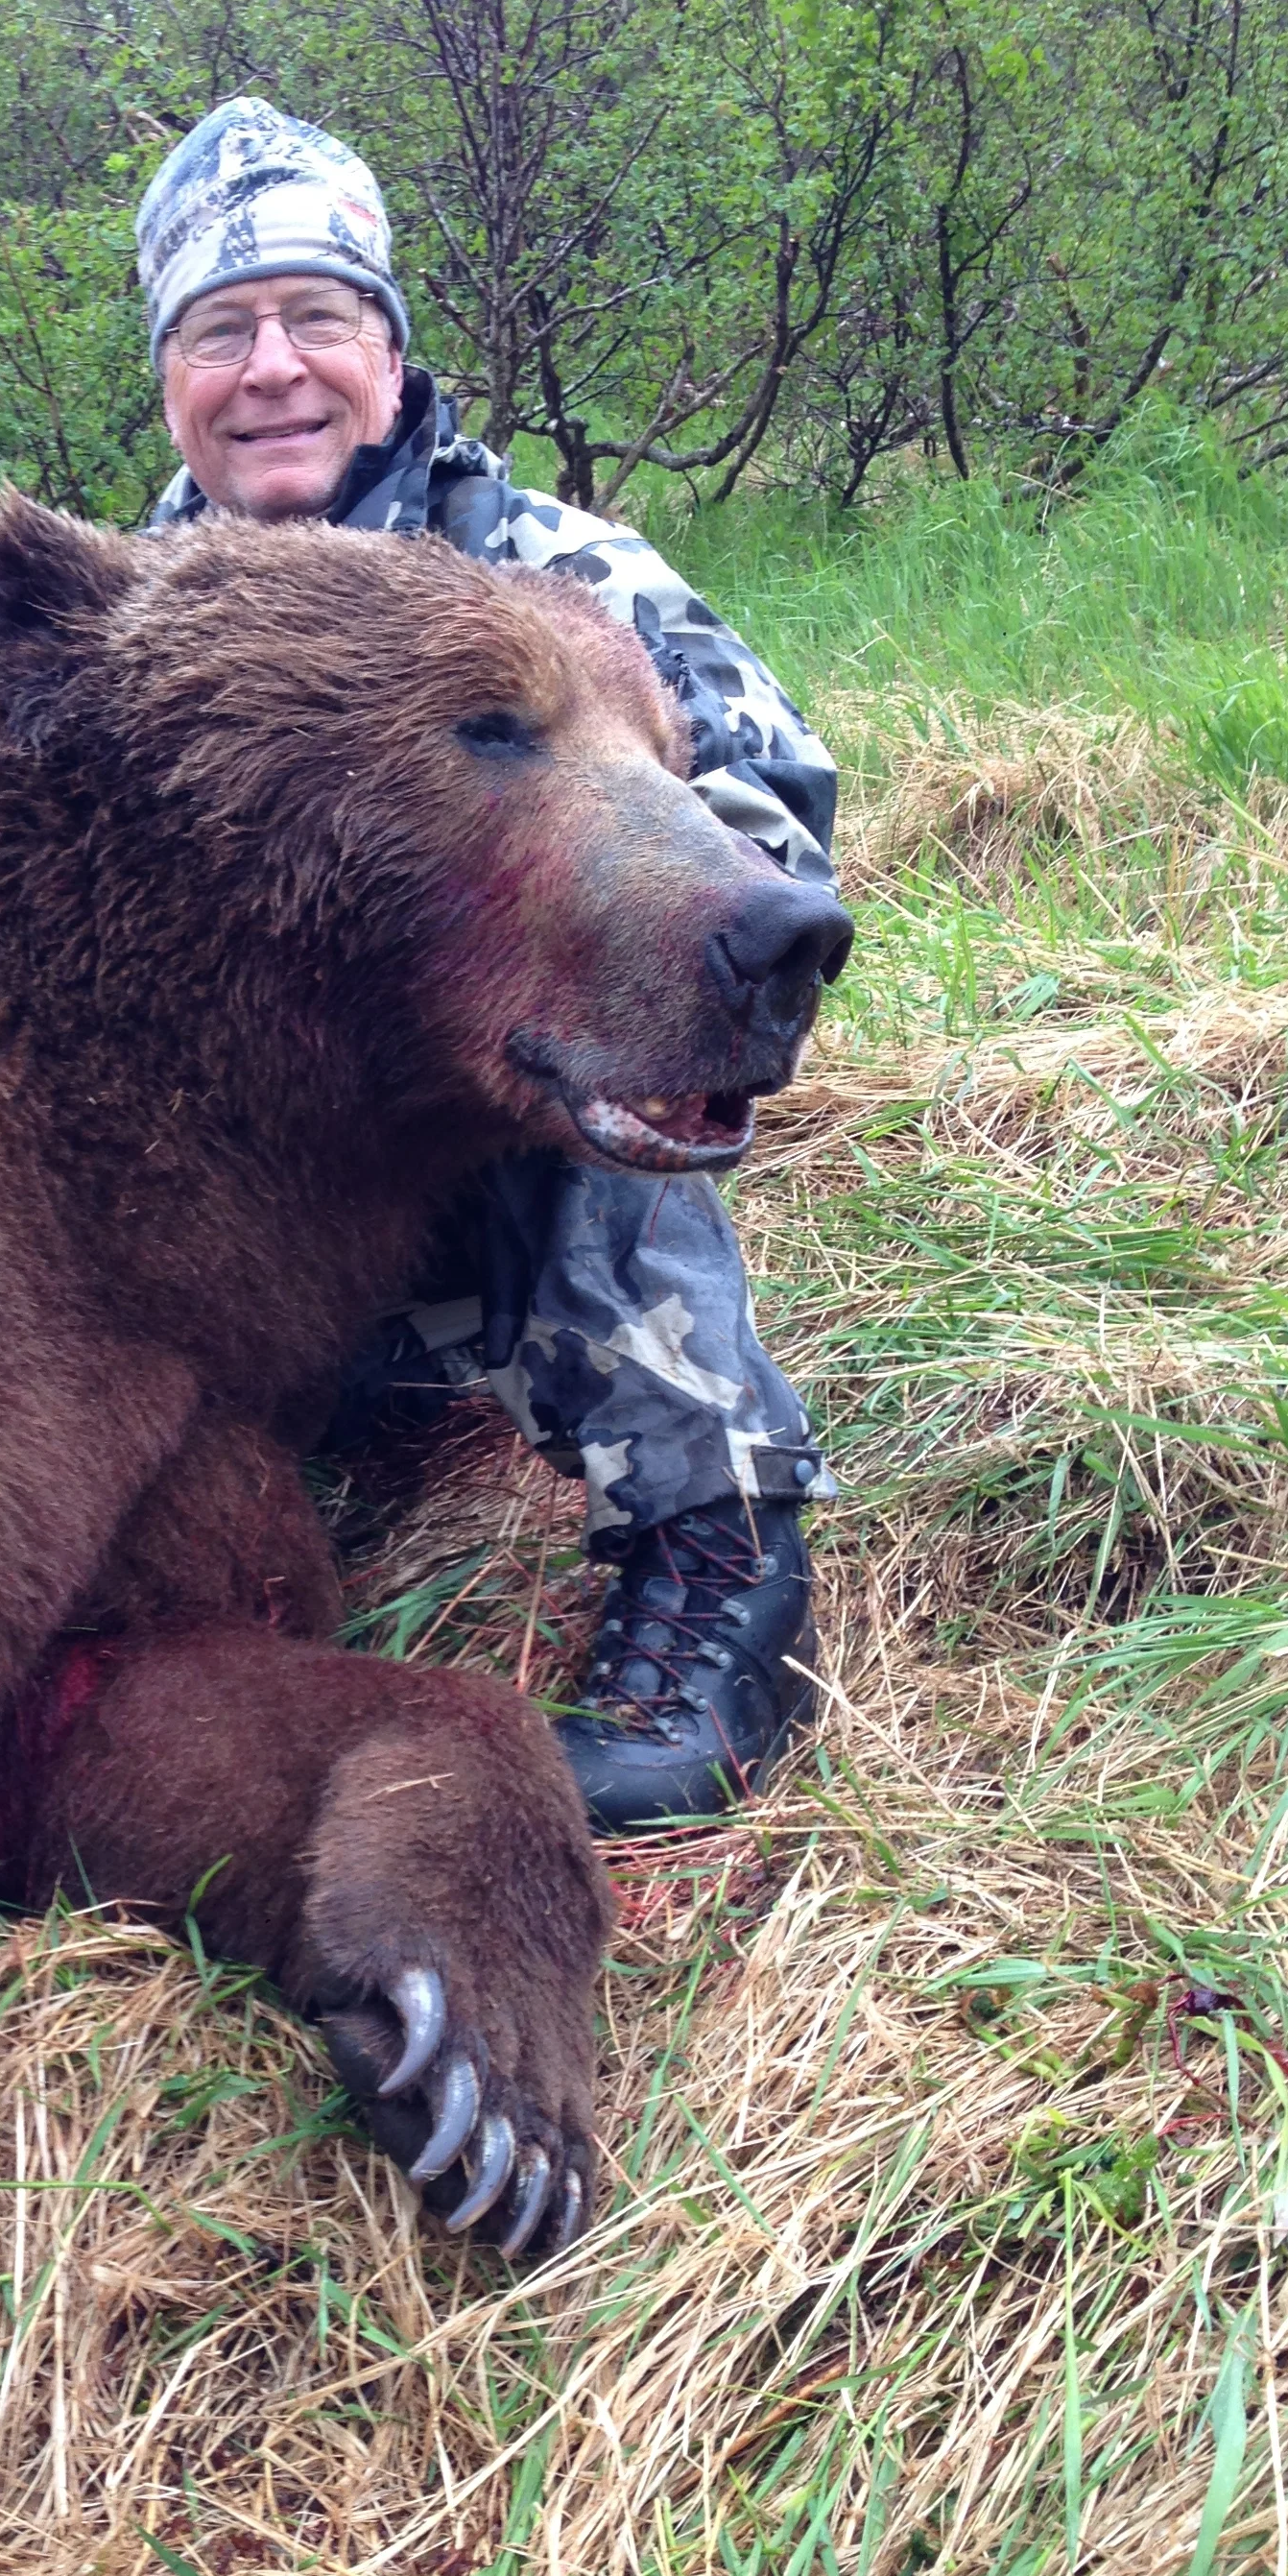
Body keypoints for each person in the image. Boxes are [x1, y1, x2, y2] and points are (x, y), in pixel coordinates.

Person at [133, 97, 846, 1833]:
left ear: (391, 350)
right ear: (171, 379)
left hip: (465, 1153)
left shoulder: (552, 572)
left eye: (321, 318)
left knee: (570, 1037)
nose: (276, 367)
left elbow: (768, 836)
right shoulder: (125, 621)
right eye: (224, 330)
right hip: (232, 1195)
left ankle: (717, 1553)